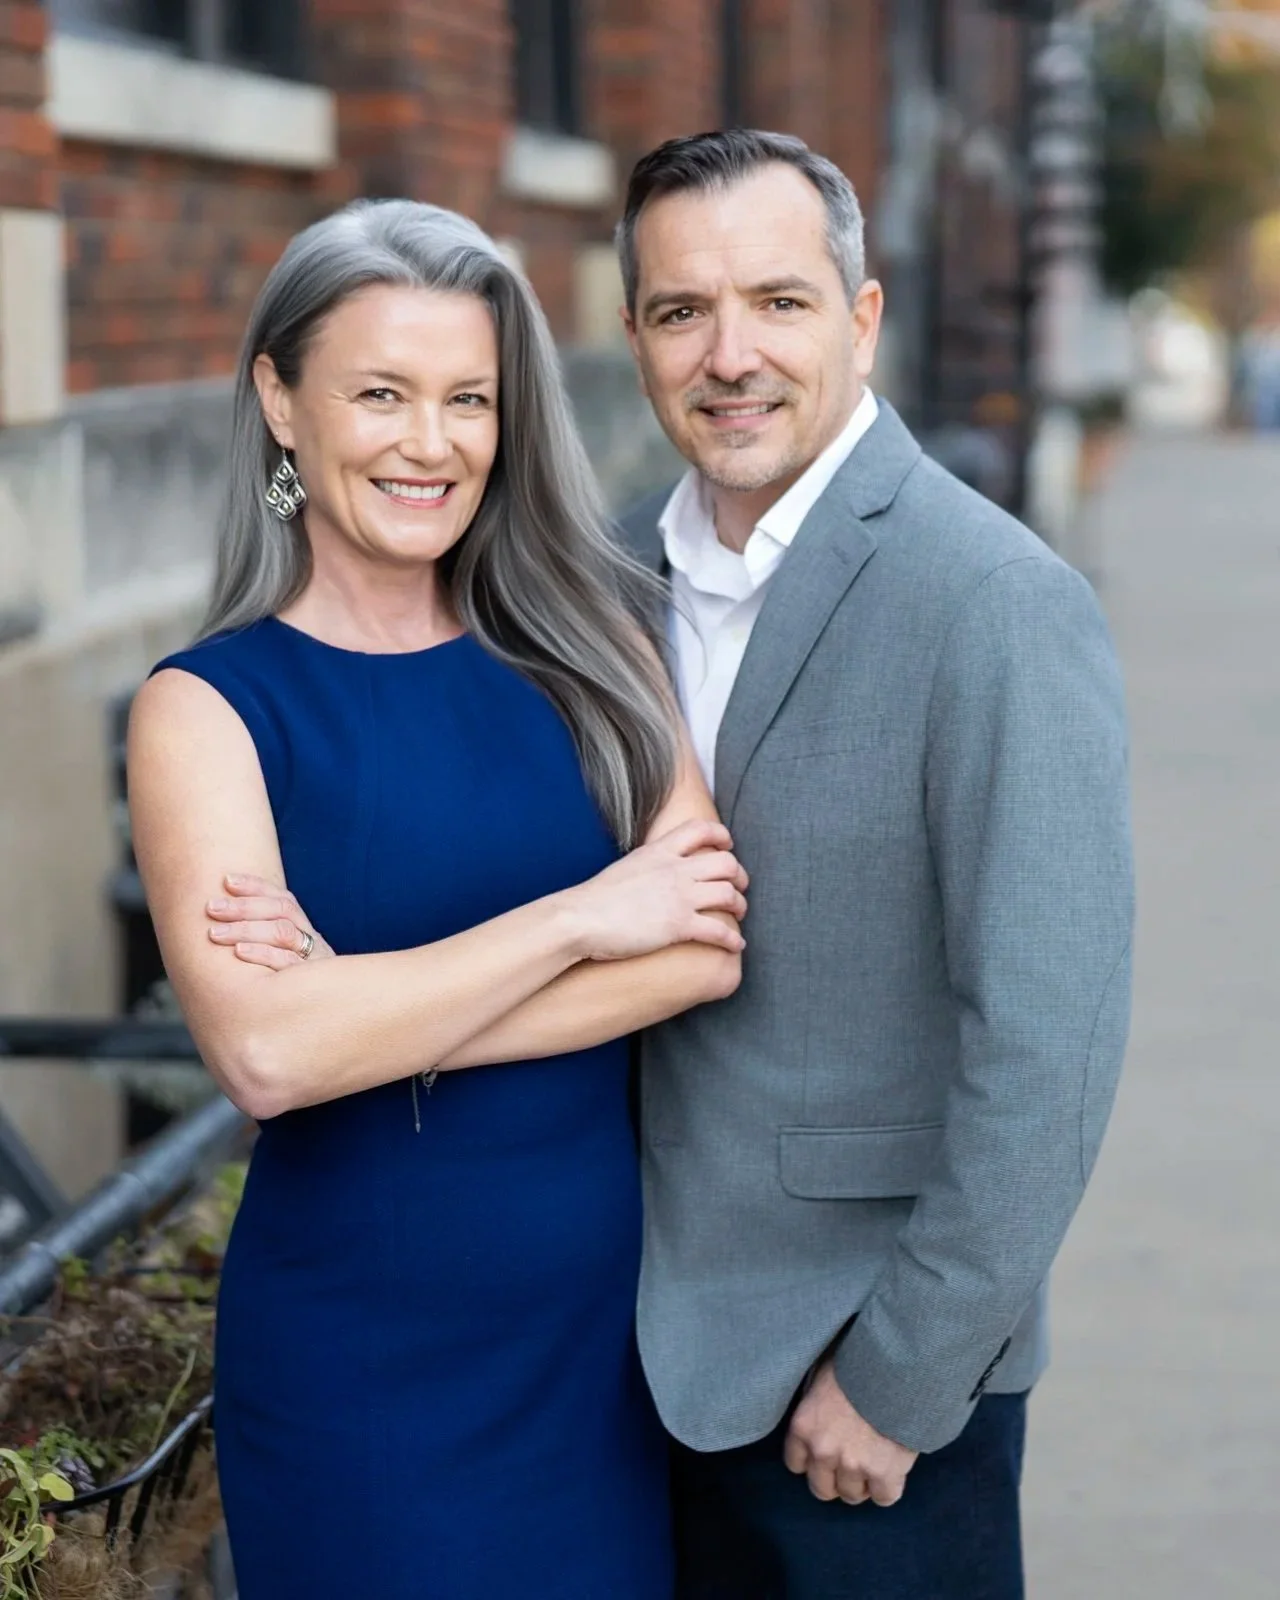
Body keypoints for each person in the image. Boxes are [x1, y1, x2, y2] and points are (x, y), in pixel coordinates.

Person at [127, 198, 751, 1600]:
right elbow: (269, 1053)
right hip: (359, 1370)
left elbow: (704, 943)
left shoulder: (594, 638)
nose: (432, 442)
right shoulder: (207, 709)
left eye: (469, 398)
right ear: (280, 402)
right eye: (382, 395)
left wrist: (369, 1008)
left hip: (594, 1358)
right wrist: (583, 918)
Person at [610, 130, 1132, 1599]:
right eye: (678, 310)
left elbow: (1052, 1048)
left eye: (777, 302)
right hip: (613, 1372)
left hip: (857, 1389)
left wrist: (906, 1377)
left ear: (861, 317)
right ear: (636, 334)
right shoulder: (597, 582)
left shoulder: (997, 602)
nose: (729, 355)